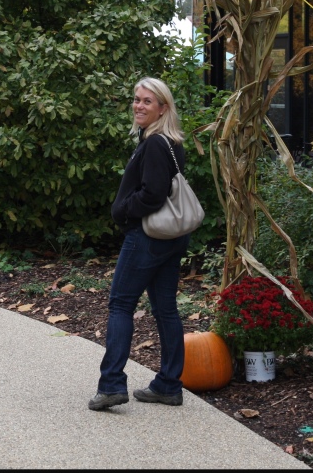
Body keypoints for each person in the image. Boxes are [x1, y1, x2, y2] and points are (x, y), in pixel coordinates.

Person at [89, 77, 192, 411]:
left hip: (148, 237)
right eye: (136, 99)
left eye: (147, 101)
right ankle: (168, 385)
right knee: (165, 309)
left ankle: (111, 386)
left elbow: (153, 193)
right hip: (171, 239)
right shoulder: (170, 142)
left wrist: (123, 210)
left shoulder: (155, 144)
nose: (138, 106)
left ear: (163, 107)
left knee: (120, 305)